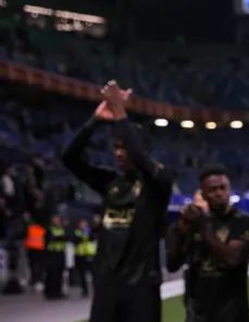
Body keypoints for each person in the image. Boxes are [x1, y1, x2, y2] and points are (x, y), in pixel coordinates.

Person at [61, 80, 174, 322]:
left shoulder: (159, 183)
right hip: (107, 286)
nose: (119, 153)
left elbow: (141, 159)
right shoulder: (110, 182)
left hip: (141, 288)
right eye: (116, 147)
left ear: (142, 150)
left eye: (125, 147)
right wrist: (95, 120)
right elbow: (69, 158)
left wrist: (120, 111)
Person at [166, 164, 249, 322]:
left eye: (223, 188)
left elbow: (232, 260)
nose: (219, 193)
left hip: (233, 312)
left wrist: (202, 227)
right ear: (204, 194)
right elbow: (172, 264)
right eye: (213, 190)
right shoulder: (192, 223)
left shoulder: (242, 221)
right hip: (198, 313)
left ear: (229, 189)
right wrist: (180, 231)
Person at [44, 213, 68, 299]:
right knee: (52, 274)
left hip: (61, 253)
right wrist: (59, 238)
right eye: (55, 219)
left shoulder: (63, 229)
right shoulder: (50, 229)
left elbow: (67, 237)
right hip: (52, 254)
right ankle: (51, 292)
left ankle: (58, 292)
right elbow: (49, 239)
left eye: (58, 219)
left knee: (59, 273)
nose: (57, 221)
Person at [73, 219, 96, 297]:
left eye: (84, 224)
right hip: (80, 255)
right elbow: (75, 240)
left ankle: (95, 290)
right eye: (82, 224)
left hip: (90, 255)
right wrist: (82, 236)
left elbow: (92, 238)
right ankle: (85, 291)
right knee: (82, 274)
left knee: (93, 274)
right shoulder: (77, 232)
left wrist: (86, 234)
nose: (83, 225)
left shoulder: (90, 231)